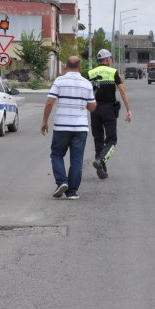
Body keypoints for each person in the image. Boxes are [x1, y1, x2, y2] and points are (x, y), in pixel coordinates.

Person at [41, 56, 96, 200]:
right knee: (77, 159)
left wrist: (44, 121)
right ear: (80, 67)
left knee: (57, 155)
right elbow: (92, 107)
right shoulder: (87, 84)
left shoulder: (59, 81)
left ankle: (62, 182)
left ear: (66, 66)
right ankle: (72, 192)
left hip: (61, 127)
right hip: (80, 128)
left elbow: (49, 103)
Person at [87, 48, 132, 179]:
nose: (110, 61)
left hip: (94, 109)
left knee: (98, 139)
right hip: (108, 109)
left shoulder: (91, 72)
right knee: (112, 140)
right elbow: (122, 91)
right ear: (107, 60)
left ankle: (102, 168)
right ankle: (100, 160)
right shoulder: (113, 72)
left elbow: (88, 91)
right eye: (110, 59)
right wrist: (128, 109)